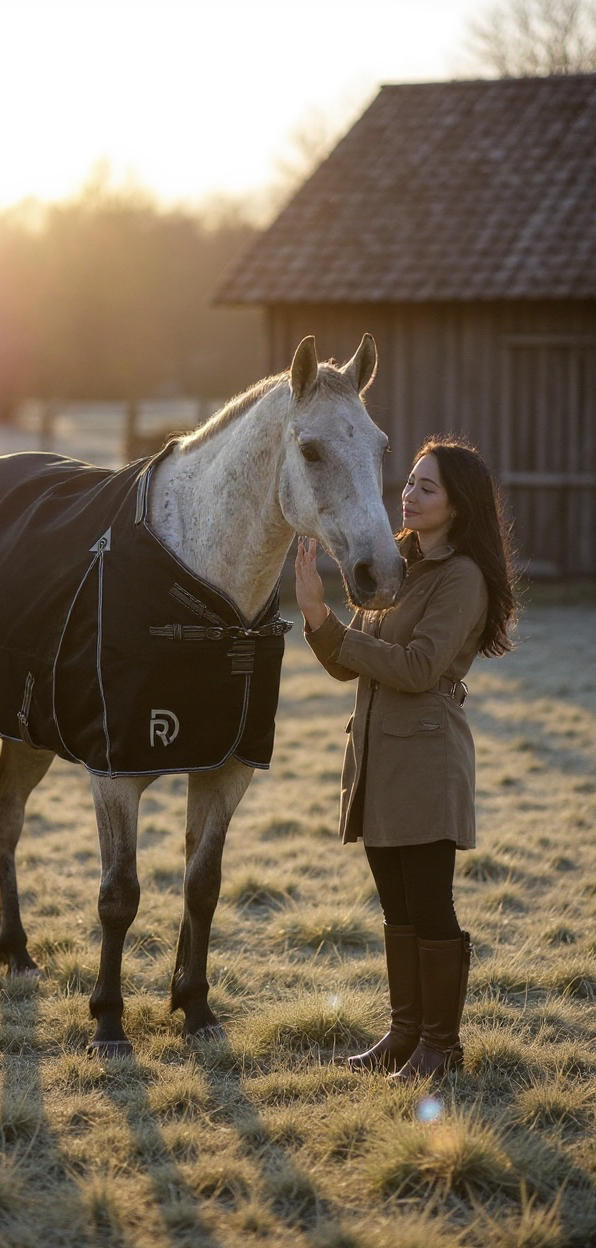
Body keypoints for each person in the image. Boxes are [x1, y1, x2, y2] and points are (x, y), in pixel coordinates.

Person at [294, 436, 517, 1081]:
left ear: (457, 505)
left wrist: (334, 626)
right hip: (376, 756)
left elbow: (419, 668)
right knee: (396, 907)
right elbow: (349, 665)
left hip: (426, 758)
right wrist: (317, 616)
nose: (409, 494)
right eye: (410, 481)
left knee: (429, 905)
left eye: (427, 487)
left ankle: (440, 1050)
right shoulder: (397, 564)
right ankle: (404, 1036)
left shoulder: (461, 577)